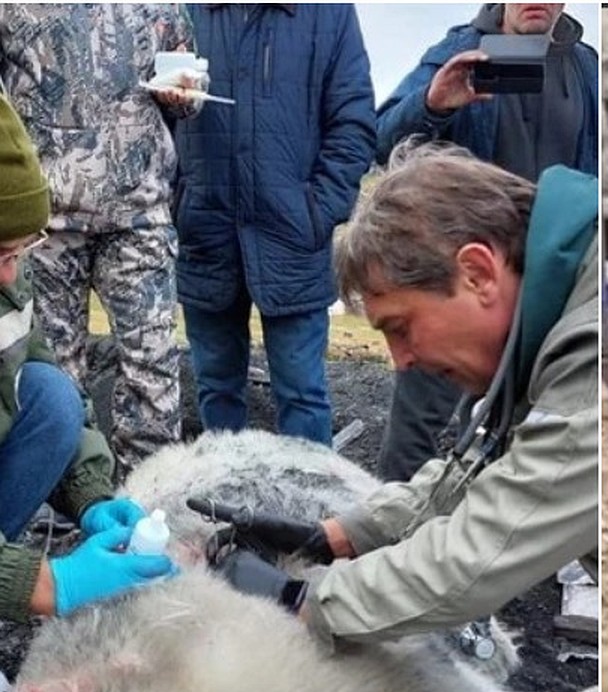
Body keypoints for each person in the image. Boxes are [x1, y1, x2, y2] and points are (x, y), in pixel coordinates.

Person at [212, 143, 598, 649]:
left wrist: (300, 602)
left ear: (478, 273)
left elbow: (483, 548)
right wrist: (340, 535)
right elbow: (485, 471)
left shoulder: (605, 340)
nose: (400, 360)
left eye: (401, 326)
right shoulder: (560, 311)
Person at [373, 2, 599, 482]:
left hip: (551, 291)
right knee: (416, 435)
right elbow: (382, 138)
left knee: (535, 440)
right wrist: (432, 105)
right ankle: (390, 546)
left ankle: (511, 549)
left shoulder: (585, 67)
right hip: (458, 283)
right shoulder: (462, 51)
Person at [0, 4, 203, 473]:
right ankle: (54, 514)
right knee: (51, 376)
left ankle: (147, 508)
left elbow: (189, 88)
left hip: (140, 216)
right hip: (44, 228)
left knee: (152, 374)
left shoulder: (166, 4)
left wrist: (183, 93)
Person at [0, 97, 177, 629]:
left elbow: (36, 369)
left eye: (16, 252)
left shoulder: (6, 283)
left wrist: (91, 495)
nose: (10, 276)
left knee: (50, 396)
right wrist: (47, 583)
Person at [173, 4, 375, 447]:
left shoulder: (329, 14)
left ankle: (312, 514)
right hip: (205, 233)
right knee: (217, 394)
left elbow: (354, 123)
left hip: (293, 239)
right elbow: (154, 116)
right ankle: (219, 511)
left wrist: (316, 210)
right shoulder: (186, 9)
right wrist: (179, 199)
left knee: (303, 397)